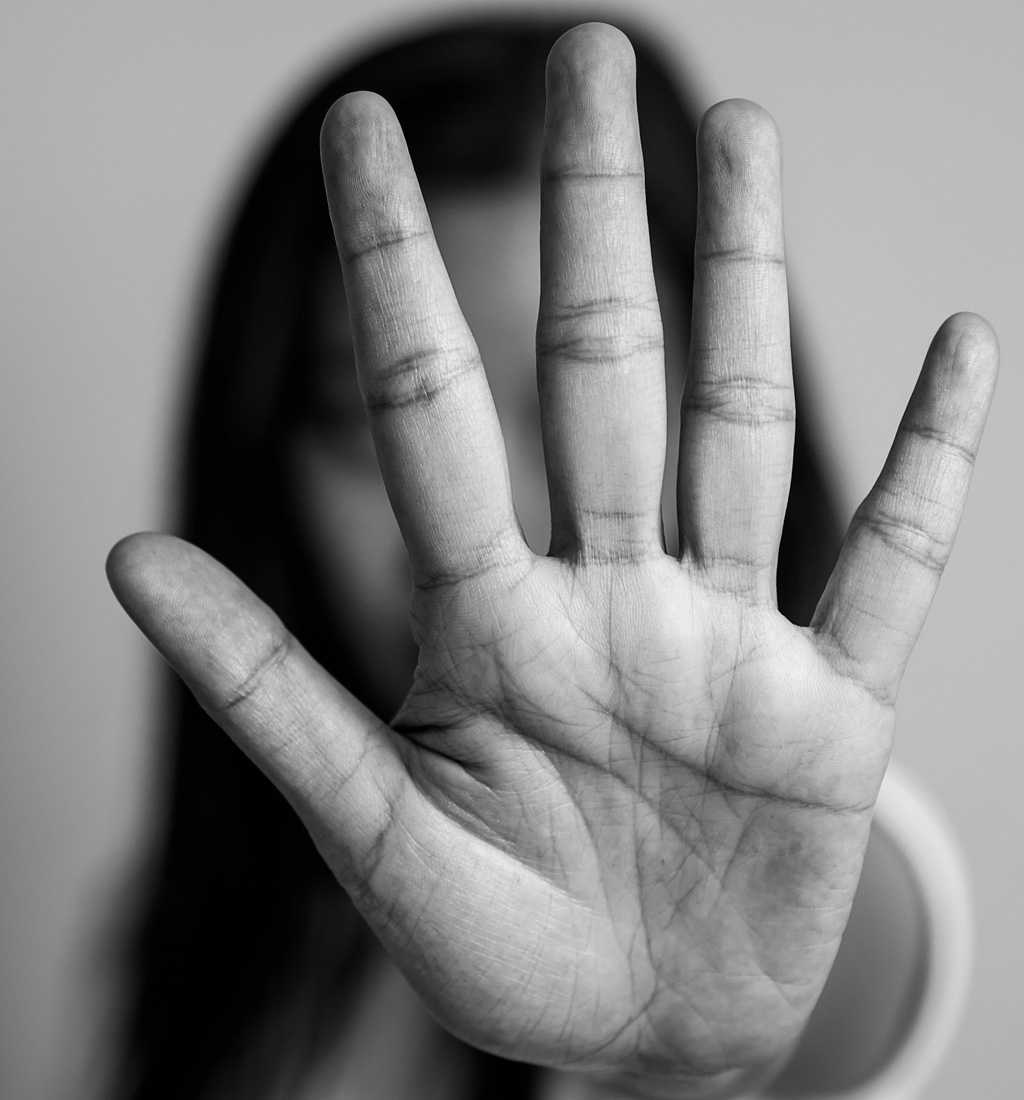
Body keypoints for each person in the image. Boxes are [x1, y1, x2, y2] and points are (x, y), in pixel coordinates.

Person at [104, 14, 996, 1100]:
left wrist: (675, 1051)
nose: (493, 527)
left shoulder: (828, 856)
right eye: (362, 414)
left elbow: (821, 944)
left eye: (559, 403)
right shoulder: (226, 918)